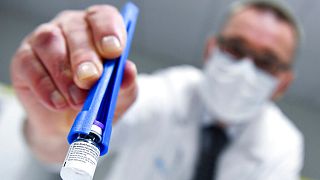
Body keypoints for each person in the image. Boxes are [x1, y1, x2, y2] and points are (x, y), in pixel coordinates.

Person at [9, 0, 304, 179]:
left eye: (266, 62)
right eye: (236, 48)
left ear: (283, 83)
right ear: (211, 48)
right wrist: (54, 131)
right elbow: (56, 151)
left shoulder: (282, 145)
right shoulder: (171, 91)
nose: (244, 70)